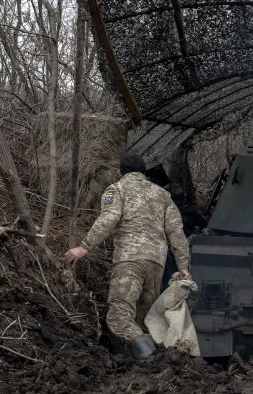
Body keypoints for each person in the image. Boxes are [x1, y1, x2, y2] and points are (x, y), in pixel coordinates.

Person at [65, 153, 192, 361]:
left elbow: (109, 217)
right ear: (144, 173)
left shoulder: (118, 188)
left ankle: (153, 360)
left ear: (120, 172)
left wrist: (84, 247)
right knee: (142, 321)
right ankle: (145, 370)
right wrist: (183, 265)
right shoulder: (162, 195)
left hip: (130, 260)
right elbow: (177, 232)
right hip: (156, 265)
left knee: (119, 317)